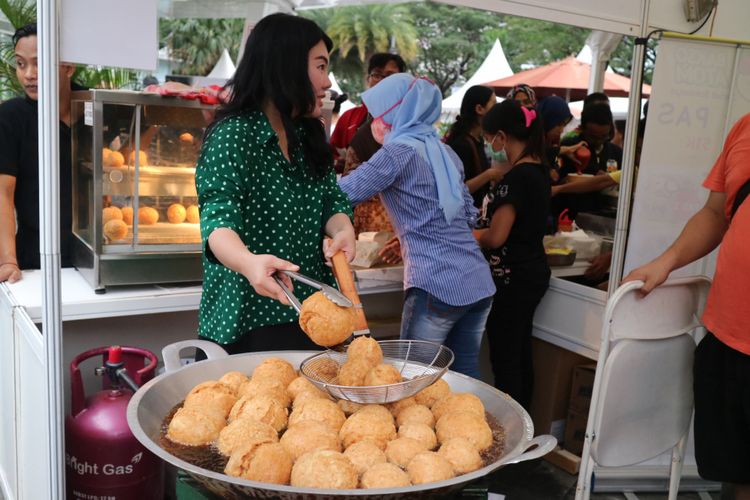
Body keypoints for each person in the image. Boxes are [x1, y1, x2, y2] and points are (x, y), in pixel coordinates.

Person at [194, 13, 355, 354]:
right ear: (286, 65)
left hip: (312, 313)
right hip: (248, 317)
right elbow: (218, 222)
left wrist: (343, 231)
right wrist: (248, 262)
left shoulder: (308, 133)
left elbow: (332, 201)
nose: (328, 83)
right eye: (321, 67)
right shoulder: (234, 135)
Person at [623, 113, 750, 500]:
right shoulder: (745, 127)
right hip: (730, 339)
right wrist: (668, 260)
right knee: (737, 471)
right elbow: (716, 212)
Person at [339, 73, 495, 379]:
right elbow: (466, 215)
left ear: (398, 113)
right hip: (477, 281)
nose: (377, 121)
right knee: (464, 376)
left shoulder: (397, 154)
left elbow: (344, 192)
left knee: (413, 378)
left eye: (381, 114)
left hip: (436, 283)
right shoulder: (447, 153)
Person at [474, 99, 551, 409]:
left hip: (512, 280)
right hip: (533, 273)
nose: (490, 145)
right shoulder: (540, 170)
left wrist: (468, 235)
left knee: (506, 361)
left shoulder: (516, 179)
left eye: (489, 138)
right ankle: (526, 437)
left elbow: (496, 236)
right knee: (520, 355)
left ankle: (514, 436)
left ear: (502, 137)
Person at [0, 23, 82, 283]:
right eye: (21, 64)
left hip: (92, 256)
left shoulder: (93, 108)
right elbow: (3, 193)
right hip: (36, 260)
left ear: (68, 66)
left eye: (39, 64)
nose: (28, 75)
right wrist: (8, 260)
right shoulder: (12, 117)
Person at [330, 52, 406, 169]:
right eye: (377, 75)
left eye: (391, 76)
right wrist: (337, 162)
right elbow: (330, 153)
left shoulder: (407, 120)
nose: (382, 81)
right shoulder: (349, 117)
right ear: (368, 79)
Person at [443, 85, 503, 207]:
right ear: (479, 109)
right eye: (494, 104)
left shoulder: (477, 140)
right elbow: (457, 189)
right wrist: (489, 175)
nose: (497, 110)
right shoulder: (461, 144)